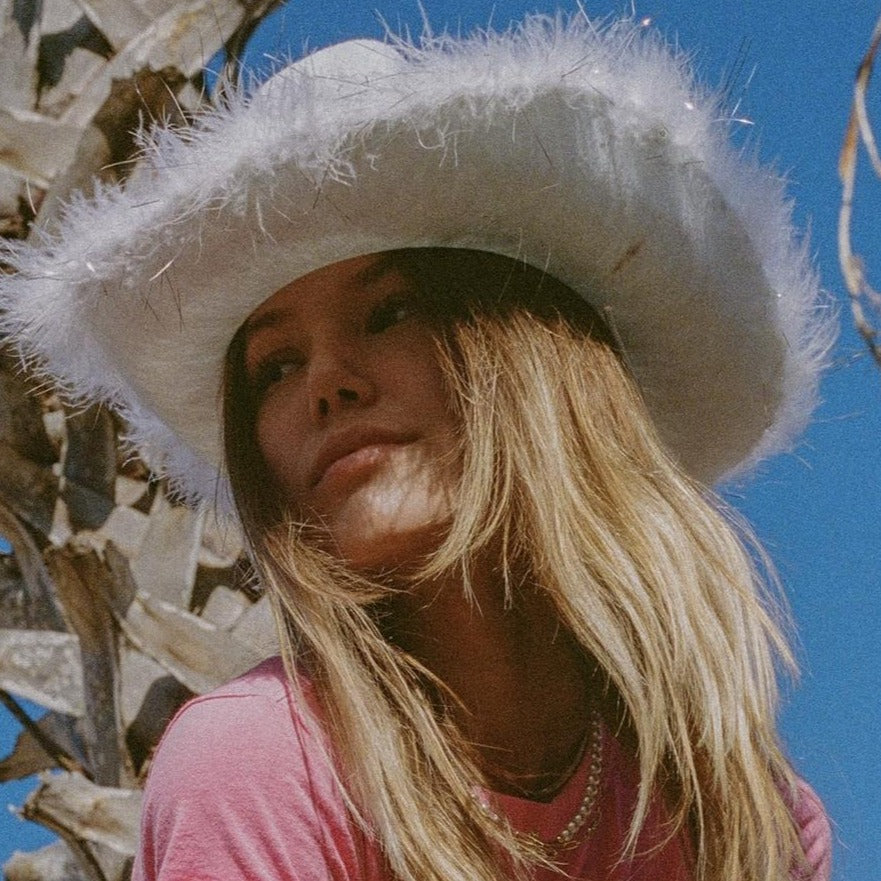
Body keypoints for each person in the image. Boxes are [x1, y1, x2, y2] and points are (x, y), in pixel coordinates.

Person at [0, 13, 833, 881]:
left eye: (389, 311)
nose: (326, 382)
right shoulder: (260, 766)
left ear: (532, 353)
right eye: (274, 366)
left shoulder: (738, 808)